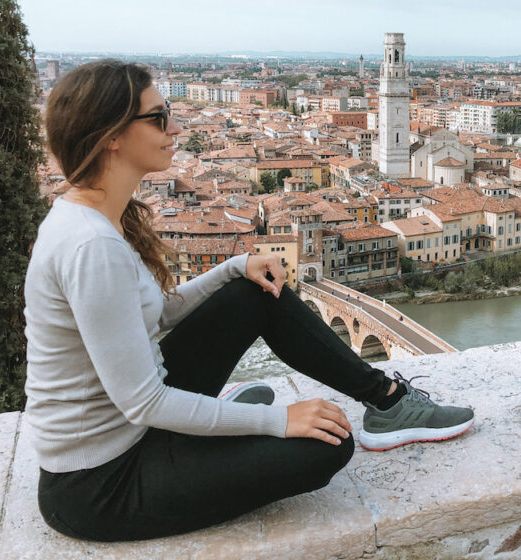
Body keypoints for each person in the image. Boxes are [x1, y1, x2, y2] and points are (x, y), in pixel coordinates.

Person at [24, 60, 474, 542]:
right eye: (159, 117)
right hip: (99, 483)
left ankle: (388, 401)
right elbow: (147, 403)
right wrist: (276, 421)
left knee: (254, 292)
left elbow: (162, 313)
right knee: (330, 445)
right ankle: (236, 415)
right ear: (111, 135)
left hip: (132, 433)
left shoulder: (99, 218)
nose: (175, 127)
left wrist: (234, 268)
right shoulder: (91, 247)